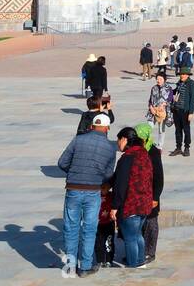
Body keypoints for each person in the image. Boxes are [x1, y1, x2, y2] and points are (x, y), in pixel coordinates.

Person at [57, 113, 117, 277]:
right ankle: (85, 267)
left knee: (70, 228)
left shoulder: (78, 140)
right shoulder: (110, 148)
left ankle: (69, 268)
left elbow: (62, 163)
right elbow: (108, 174)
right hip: (93, 191)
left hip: (73, 188)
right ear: (106, 128)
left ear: (92, 126)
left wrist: (76, 172)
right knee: (89, 229)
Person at [109, 126, 154, 269]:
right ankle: (140, 262)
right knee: (137, 235)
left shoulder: (127, 158)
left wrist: (115, 206)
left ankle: (133, 265)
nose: (117, 144)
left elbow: (120, 185)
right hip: (144, 204)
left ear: (124, 139)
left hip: (131, 204)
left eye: (118, 140)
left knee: (130, 238)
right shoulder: (144, 155)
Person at [134, 123, 164, 265]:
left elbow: (159, 177)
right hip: (138, 193)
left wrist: (155, 197)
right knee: (140, 222)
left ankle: (150, 251)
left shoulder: (153, 152)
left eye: (140, 138)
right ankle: (139, 251)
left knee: (151, 222)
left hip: (151, 193)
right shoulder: (135, 151)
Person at [169, 70, 194, 157]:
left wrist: (191, 113)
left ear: (187, 75)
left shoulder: (191, 84)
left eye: (183, 74)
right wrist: (168, 90)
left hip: (185, 111)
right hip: (177, 110)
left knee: (186, 130)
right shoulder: (179, 83)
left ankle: (187, 148)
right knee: (177, 130)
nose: (182, 76)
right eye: (181, 74)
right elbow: (174, 92)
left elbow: (193, 100)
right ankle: (178, 148)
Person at [146, 71, 174, 149]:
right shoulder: (154, 88)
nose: (158, 81)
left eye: (160, 79)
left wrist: (164, 104)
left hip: (162, 112)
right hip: (152, 111)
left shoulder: (169, 88)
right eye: (157, 79)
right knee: (148, 128)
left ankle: (160, 146)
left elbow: (170, 100)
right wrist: (151, 107)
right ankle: (148, 144)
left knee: (161, 130)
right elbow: (150, 99)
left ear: (164, 79)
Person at [94, 180, 116, 269]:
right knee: (98, 243)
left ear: (109, 188)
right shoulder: (95, 196)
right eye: (100, 187)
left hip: (109, 223)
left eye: (104, 188)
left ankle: (109, 260)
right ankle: (100, 260)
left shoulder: (111, 196)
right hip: (98, 224)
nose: (102, 190)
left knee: (109, 242)